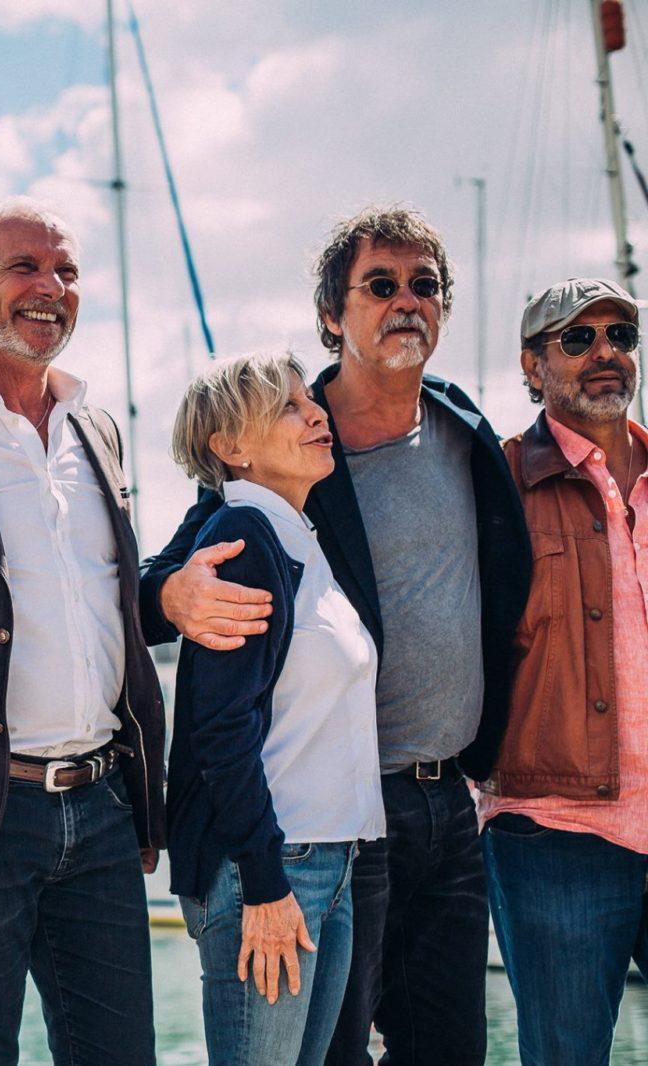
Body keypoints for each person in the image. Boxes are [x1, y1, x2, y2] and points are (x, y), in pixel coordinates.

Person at [142, 207, 531, 1065]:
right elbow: (161, 589)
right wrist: (170, 593)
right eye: (380, 285)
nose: (406, 301)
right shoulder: (280, 460)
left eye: (424, 285)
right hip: (341, 820)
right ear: (332, 313)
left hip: (449, 802)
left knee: (450, 1052)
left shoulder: (462, 428)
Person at [0, 197, 168, 1066]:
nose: (51, 287)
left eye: (67, 271)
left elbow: (110, 601)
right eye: (25, 268)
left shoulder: (99, 429)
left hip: (104, 805)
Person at [168, 351, 385, 1065]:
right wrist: (264, 883)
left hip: (328, 863)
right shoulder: (244, 542)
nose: (317, 413)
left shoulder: (297, 538)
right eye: (289, 406)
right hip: (270, 870)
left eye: (308, 401)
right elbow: (219, 728)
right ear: (232, 446)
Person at [479, 278, 648, 1065]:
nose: (605, 352)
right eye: (578, 339)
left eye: (621, 335)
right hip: (555, 833)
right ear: (532, 365)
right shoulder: (500, 483)